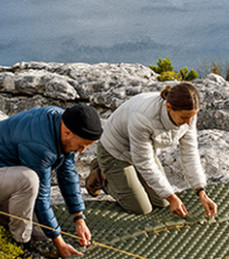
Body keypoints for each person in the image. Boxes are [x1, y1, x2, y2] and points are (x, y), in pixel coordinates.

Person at [0, 103, 102, 259]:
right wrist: (60, 244)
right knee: (28, 179)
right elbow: (41, 197)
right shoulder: (39, 144)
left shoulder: (63, 122)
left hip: (1, 181)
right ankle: (20, 245)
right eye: (81, 145)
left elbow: (67, 173)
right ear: (68, 133)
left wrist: (79, 218)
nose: (82, 151)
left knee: (42, 234)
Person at [90, 83, 217, 219]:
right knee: (141, 208)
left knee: (162, 202)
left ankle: (129, 177)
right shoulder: (143, 117)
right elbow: (144, 163)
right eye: (184, 118)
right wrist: (173, 198)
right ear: (168, 108)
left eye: (192, 117)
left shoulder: (187, 113)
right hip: (115, 151)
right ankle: (100, 175)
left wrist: (201, 191)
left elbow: (189, 153)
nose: (188, 122)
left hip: (142, 151)